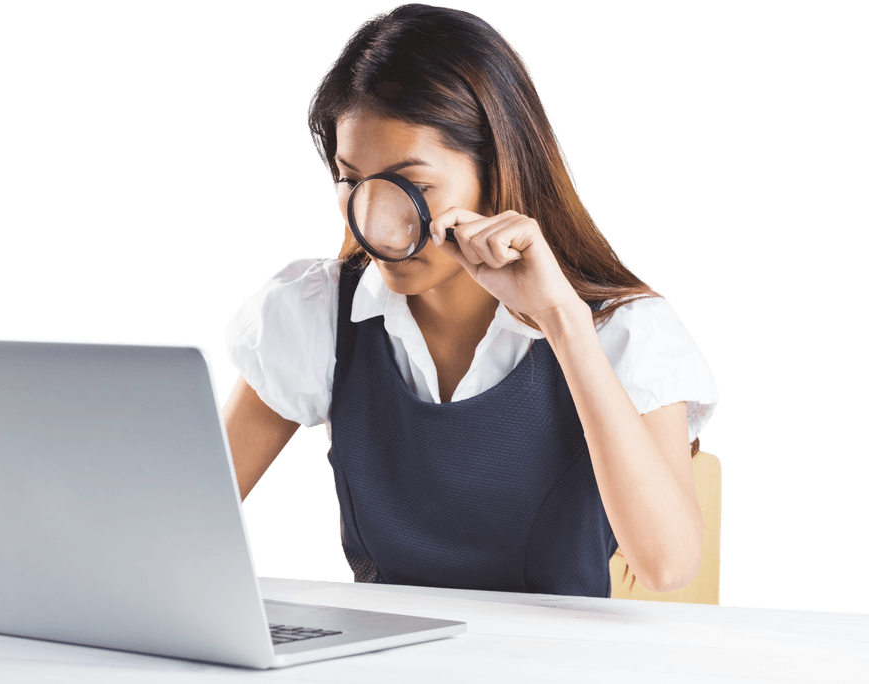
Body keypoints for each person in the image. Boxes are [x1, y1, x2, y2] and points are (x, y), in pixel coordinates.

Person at [222, 3, 719, 598]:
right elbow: (178, 513)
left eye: (414, 186)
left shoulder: (625, 331)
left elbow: (668, 565)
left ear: (497, 169)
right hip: (386, 658)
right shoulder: (321, 315)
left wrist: (562, 320)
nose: (376, 225)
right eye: (351, 182)